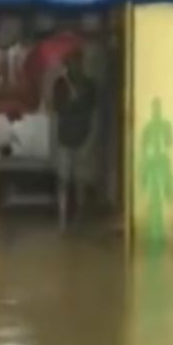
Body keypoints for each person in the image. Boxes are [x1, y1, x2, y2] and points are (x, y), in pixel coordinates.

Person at [52, 51, 98, 229]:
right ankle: (62, 217)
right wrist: (69, 101)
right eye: (71, 63)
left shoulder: (89, 85)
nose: (75, 66)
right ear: (67, 65)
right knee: (63, 179)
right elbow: (56, 108)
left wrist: (92, 137)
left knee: (80, 179)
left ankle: (79, 216)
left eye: (78, 62)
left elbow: (94, 113)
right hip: (64, 136)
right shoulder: (61, 85)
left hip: (83, 136)